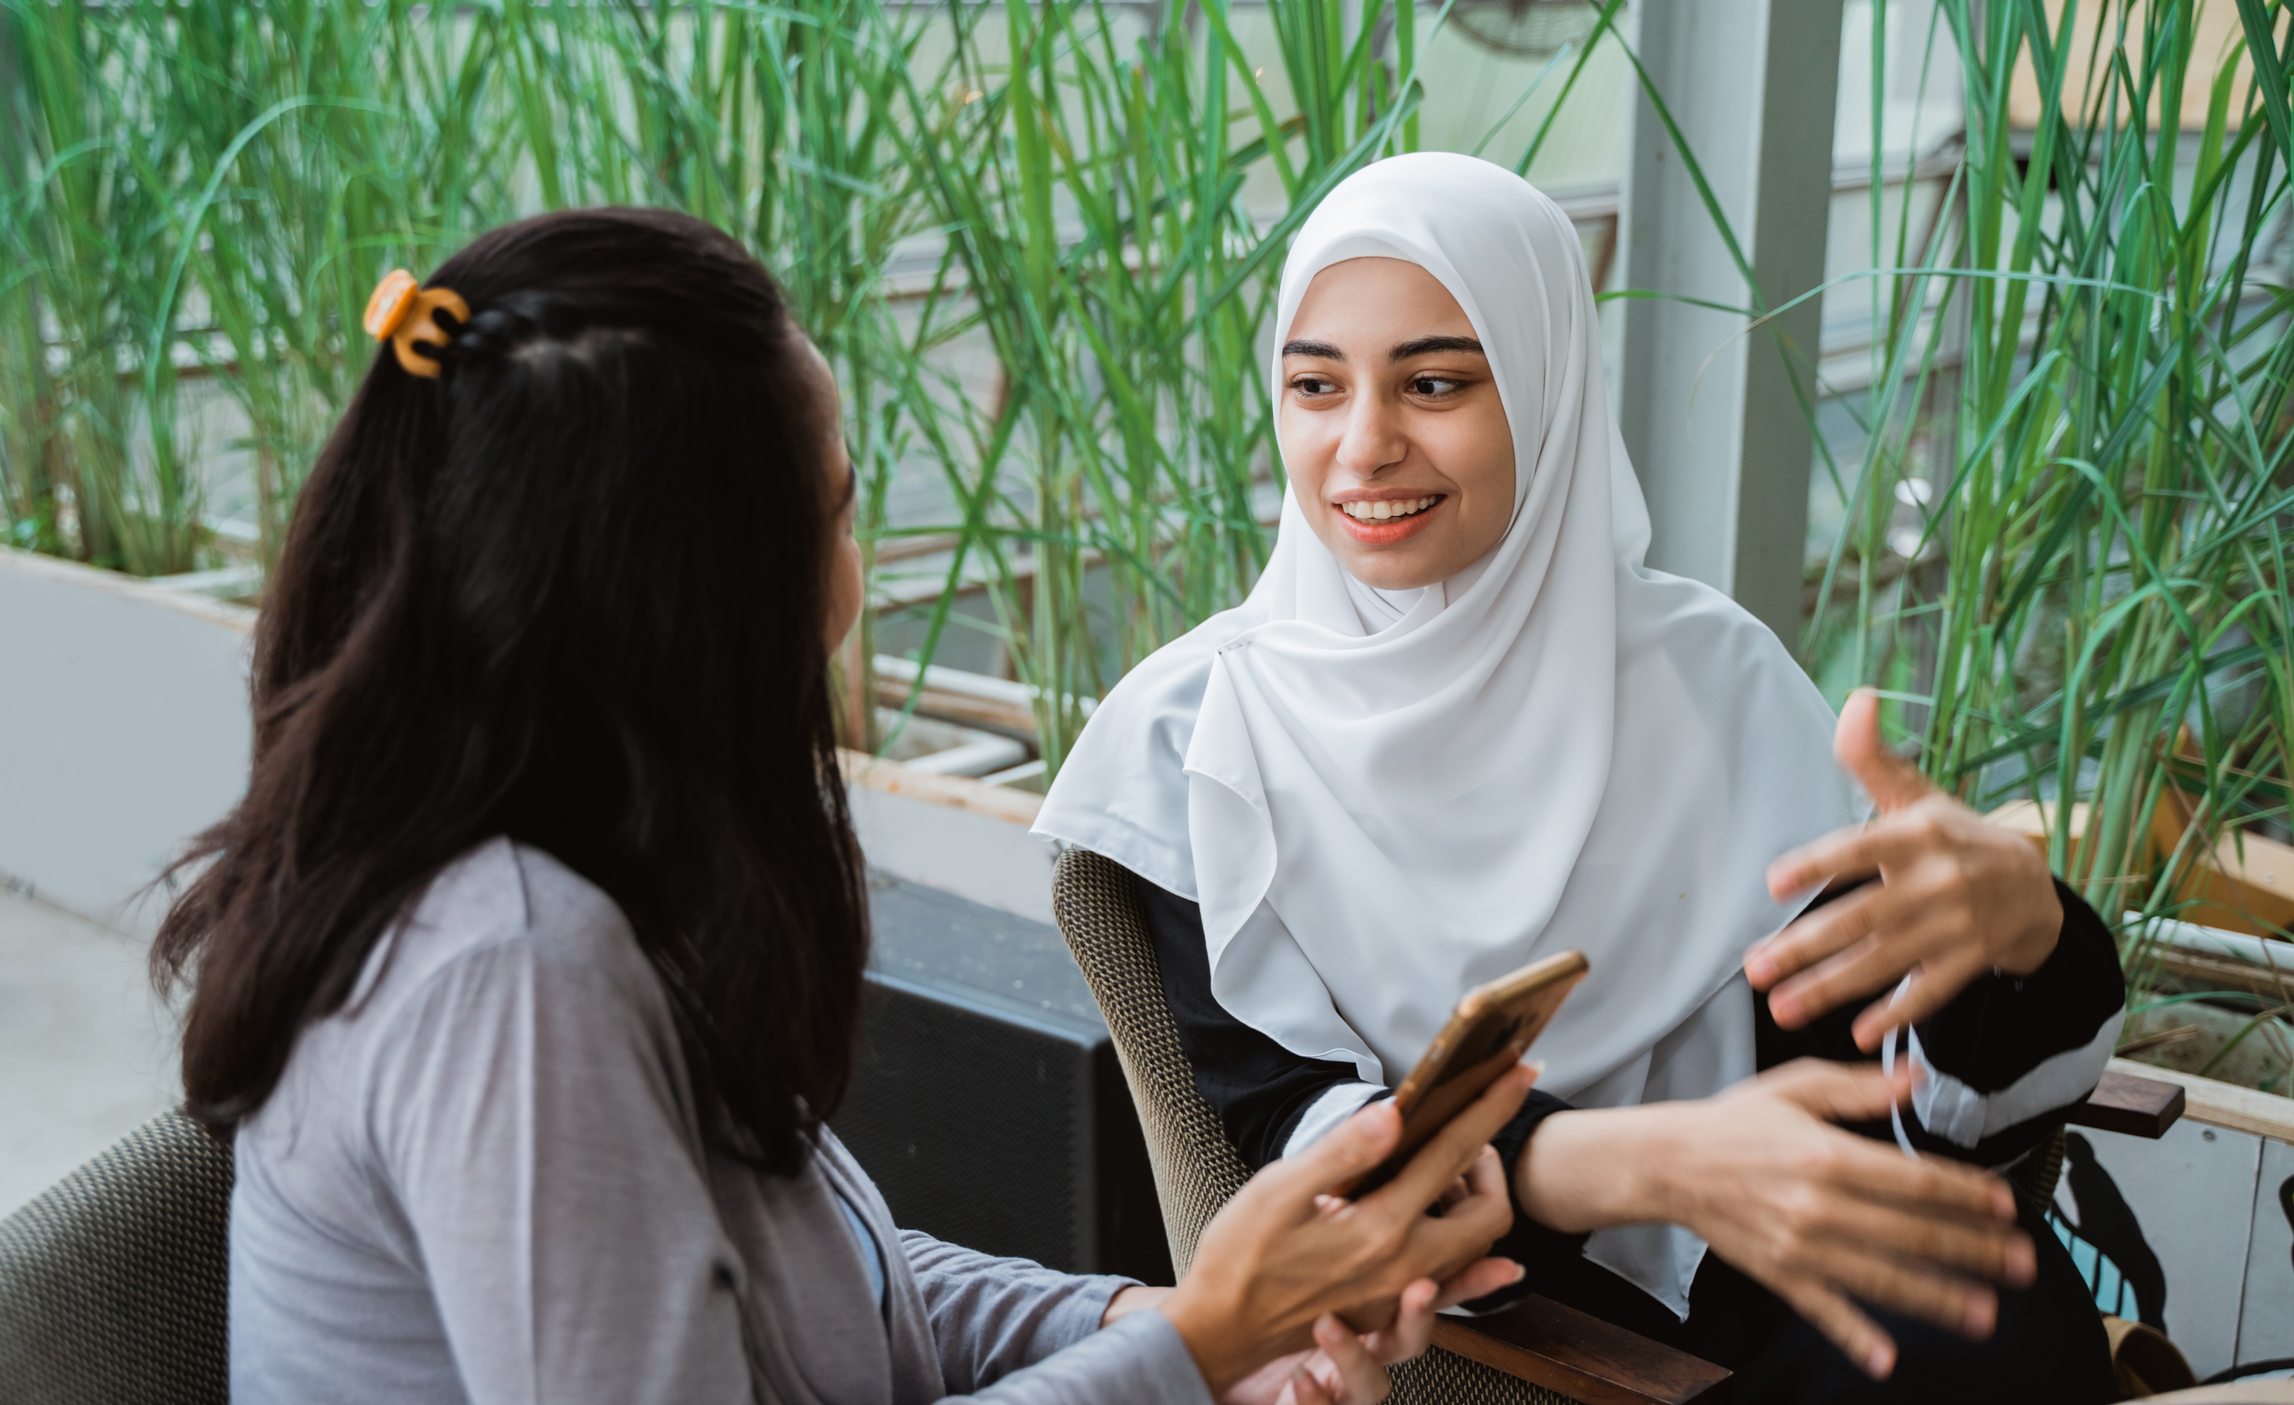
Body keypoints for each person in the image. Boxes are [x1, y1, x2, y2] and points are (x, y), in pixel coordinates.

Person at [149, 207, 1536, 1405]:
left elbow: (833, 1289)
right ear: (706, 602)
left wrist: (1167, 1332)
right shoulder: (510, 971)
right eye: (840, 507)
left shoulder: (591, 870)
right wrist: (1207, 1331)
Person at [1034, 153, 2124, 1404]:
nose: (1364, 445)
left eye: (1434, 381)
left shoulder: (1710, 680)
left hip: (1776, 1286)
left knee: (2004, 1305)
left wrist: (2023, 945)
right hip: (1518, 1323)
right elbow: (1295, 1151)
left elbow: (1908, 1118)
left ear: (1550, 389)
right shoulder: (1197, 742)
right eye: (1314, 386)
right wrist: (1645, 1163)